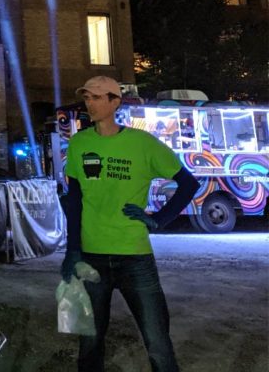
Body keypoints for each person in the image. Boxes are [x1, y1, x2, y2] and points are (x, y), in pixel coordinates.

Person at [61, 76, 199, 372]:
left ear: (115, 102)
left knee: (157, 340)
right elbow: (74, 200)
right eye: (87, 98)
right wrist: (72, 250)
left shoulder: (143, 143)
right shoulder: (79, 143)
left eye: (97, 98)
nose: (90, 104)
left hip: (135, 257)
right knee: (90, 343)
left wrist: (160, 219)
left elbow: (188, 184)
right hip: (92, 256)